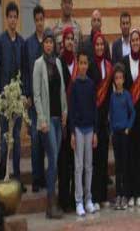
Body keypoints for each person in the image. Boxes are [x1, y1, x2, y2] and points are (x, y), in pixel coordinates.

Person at [32, 28, 67, 219]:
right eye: (46, 41)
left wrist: (64, 112)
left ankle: (50, 205)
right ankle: (50, 204)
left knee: (54, 160)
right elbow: (36, 95)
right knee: (52, 158)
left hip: (57, 120)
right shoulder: (38, 64)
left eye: (51, 42)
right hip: (46, 122)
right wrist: (41, 119)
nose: (48, 45)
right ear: (42, 44)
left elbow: (61, 90)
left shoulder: (58, 63)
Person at [0, 1, 25, 185]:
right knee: (5, 136)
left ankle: (17, 175)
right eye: (10, 17)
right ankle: (2, 170)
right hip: (5, 98)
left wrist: (23, 94)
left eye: (15, 17)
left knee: (17, 137)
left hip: (18, 98)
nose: (13, 20)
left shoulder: (21, 42)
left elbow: (24, 70)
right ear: (6, 19)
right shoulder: (0, 40)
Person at [123, 28, 140, 208]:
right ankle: (131, 192)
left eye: (137, 40)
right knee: (130, 155)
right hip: (128, 115)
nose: (135, 43)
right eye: (132, 40)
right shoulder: (124, 62)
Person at [69, 51, 98, 217]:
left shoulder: (91, 84)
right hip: (79, 130)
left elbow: (95, 108)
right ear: (77, 65)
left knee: (89, 166)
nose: (83, 66)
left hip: (89, 130)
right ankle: (78, 201)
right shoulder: (74, 86)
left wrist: (95, 131)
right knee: (78, 166)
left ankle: (88, 199)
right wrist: (72, 132)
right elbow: (72, 110)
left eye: (85, 63)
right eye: (80, 63)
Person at [24, 4, 47, 193]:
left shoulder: (47, 43)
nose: (40, 23)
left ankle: (44, 177)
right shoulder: (28, 44)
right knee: (35, 141)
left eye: (42, 19)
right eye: (37, 20)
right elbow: (25, 71)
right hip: (33, 101)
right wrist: (27, 95)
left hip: (46, 101)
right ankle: (36, 179)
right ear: (34, 21)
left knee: (45, 140)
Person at [88, 33, 112, 209]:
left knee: (104, 157)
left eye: (102, 45)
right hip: (93, 116)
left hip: (106, 118)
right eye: (97, 45)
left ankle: (103, 196)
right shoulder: (89, 66)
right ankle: (94, 197)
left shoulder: (109, 66)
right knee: (94, 160)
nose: (99, 47)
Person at [109, 63, 135, 210]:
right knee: (118, 166)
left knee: (125, 165)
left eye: (120, 78)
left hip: (124, 134)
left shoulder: (127, 95)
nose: (118, 80)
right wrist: (112, 129)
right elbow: (111, 115)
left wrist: (128, 128)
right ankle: (118, 194)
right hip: (116, 134)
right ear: (114, 80)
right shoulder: (112, 97)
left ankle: (125, 194)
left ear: (124, 80)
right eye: (116, 78)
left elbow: (133, 113)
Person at [57, 27, 77, 212]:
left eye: (72, 38)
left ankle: (73, 198)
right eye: (67, 38)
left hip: (75, 119)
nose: (70, 41)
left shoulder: (79, 63)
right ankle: (62, 200)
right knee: (63, 162)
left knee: (74, 161)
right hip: (63, 118)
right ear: (63, 42)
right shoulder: (59, 62)